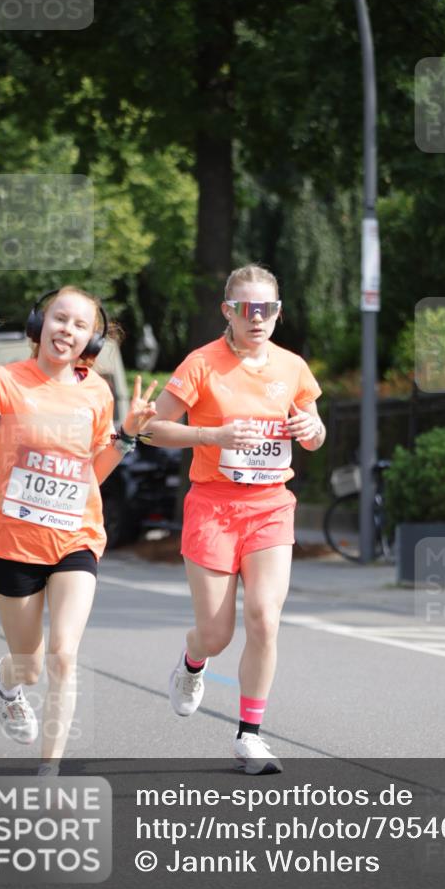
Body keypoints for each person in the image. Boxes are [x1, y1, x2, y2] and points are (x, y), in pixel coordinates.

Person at [0, 286, 157, 772]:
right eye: (60, 319)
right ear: (40, 323)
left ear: (92, 339)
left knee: (65, 656)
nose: (67, 331)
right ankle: (7, 681)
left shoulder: (97, 391)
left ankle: (49, 773)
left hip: (76, 537)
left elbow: (94, 471)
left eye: (80, 325)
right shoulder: (1, 381)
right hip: (14, 542)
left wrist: (125, 435)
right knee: (31, 662)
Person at [145, 265, 325, 774]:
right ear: (228, 311)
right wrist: (211, 437)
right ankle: (192, 662)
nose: (258, 318)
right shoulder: (202, 363)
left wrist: (313, 429)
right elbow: (155, 429)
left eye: (267, 309)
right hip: (213, 507)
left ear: (278, 313)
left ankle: (250, 736)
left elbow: (313, 433)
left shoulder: (292, 366)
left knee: (265, 618)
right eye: (247, 309)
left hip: (270, 504)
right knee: (217, 633)